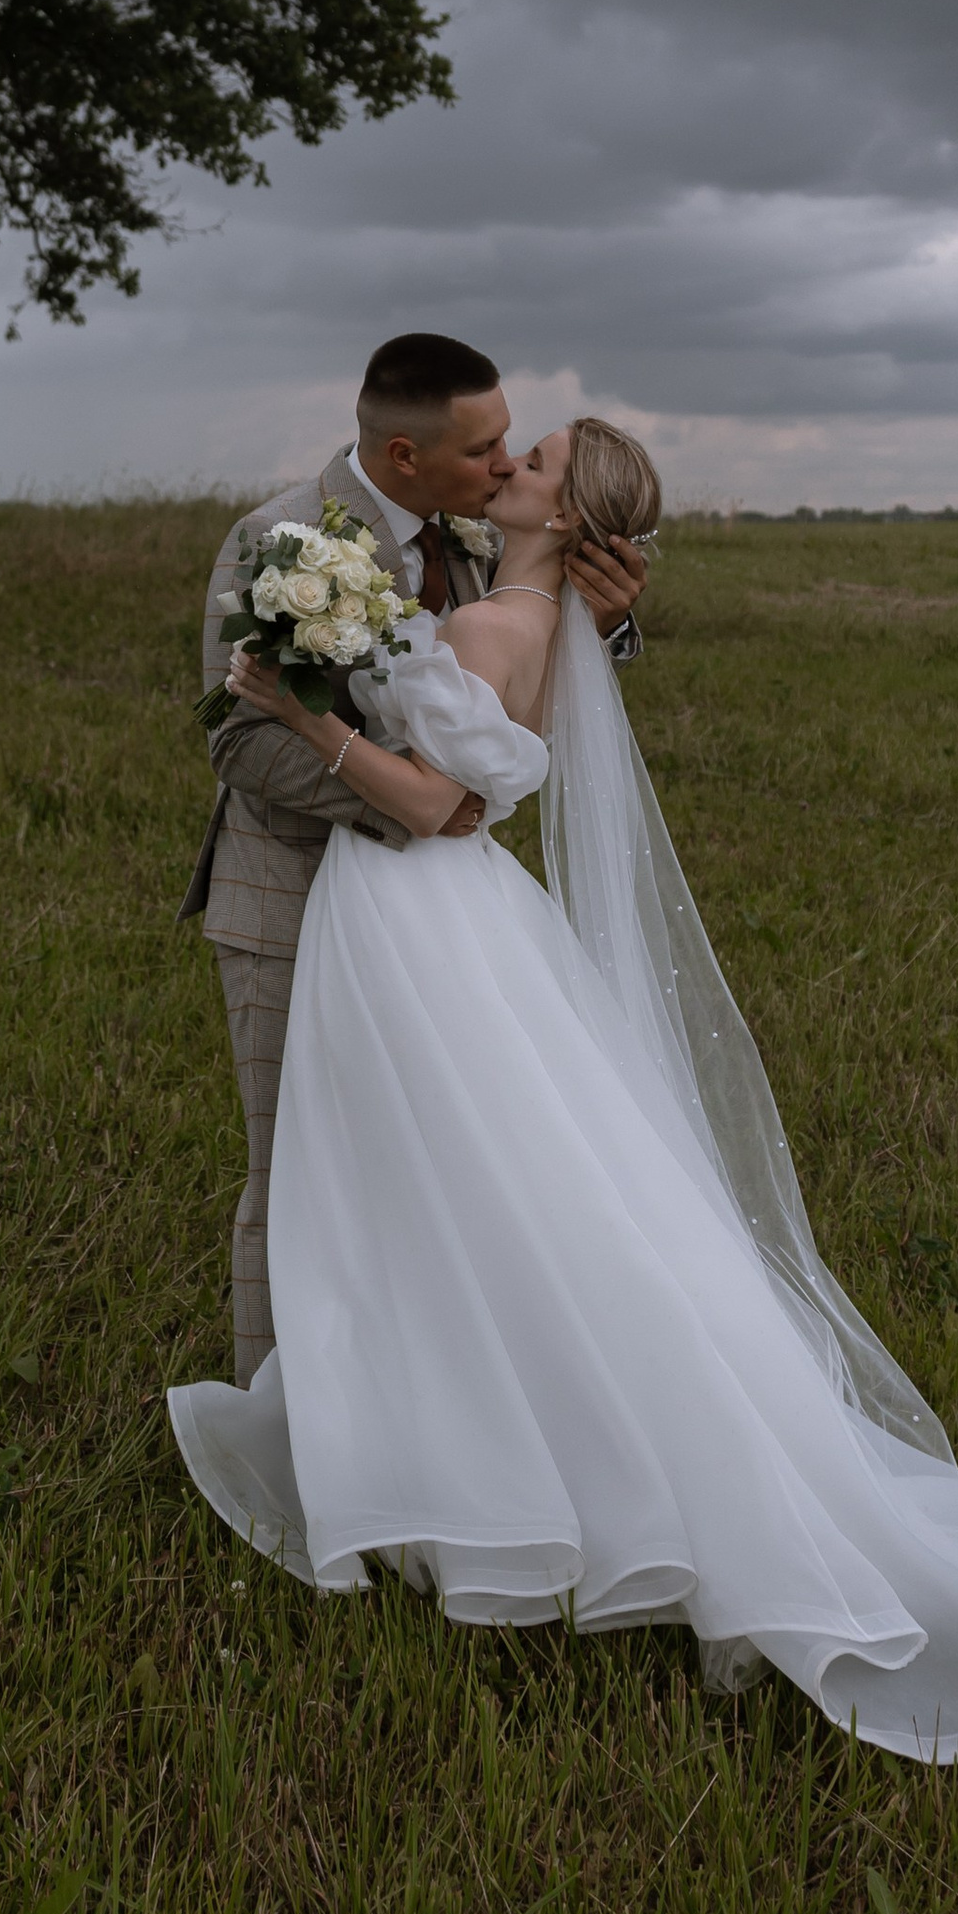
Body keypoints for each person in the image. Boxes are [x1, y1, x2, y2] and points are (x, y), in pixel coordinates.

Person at [168, 417, 958, 1759]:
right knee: (478, 1182)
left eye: (529, 466)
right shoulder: (523, 606)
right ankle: (428, 1437)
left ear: (559, 515)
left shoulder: (491, 622)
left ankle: (450, 1465)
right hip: (450, 922)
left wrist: (298, 705)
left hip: (414, 911)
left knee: (423, 1182)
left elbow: (435, 805)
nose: (507, 468)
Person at [181, 333, 647, 1385]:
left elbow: (514, 673)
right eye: (484, 449)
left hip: (441, 920)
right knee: (297, 1171)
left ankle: (427, 1404)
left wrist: (608, 632)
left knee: (444, 1168)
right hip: (294, 900)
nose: (501, 465)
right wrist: (422, 814)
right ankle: (291, 1420)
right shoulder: (278, 544)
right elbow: (241, 740)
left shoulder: (480, 542)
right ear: (402, 456)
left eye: (512, 449)